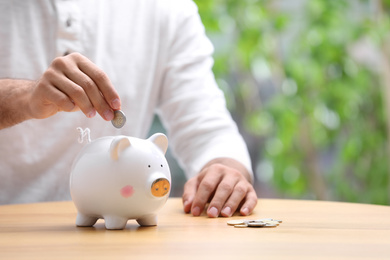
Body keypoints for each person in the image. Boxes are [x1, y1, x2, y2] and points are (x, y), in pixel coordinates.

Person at [0, 0, 257, 218]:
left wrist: (225, 172)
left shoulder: (167, 8)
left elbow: (208, 131)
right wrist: (23, 98)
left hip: (118, 229)